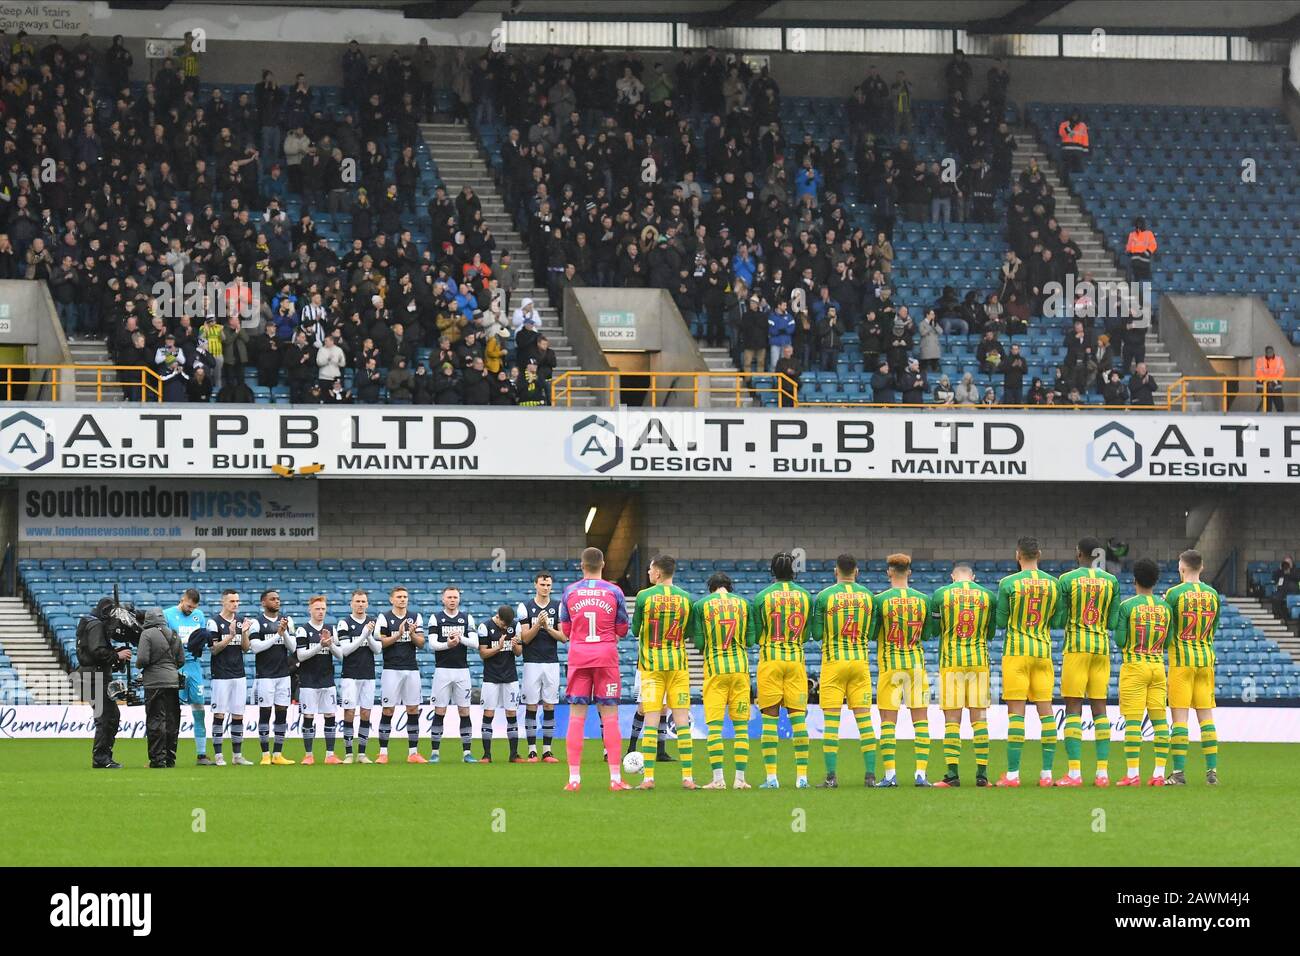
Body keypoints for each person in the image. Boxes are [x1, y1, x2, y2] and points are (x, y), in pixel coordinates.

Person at [558, 547, 631, 792]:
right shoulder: (615, 591)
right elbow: (622, 629)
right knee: (610, 718)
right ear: (604, 564)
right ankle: (615, 778)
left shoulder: (570, 592)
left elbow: (565, 631)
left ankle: (574, 779)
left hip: (579, 658)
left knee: (576, 717)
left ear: (581, 565)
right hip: (606, 658)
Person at [995, 538, 1063, 787]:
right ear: (1040, 554)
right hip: (1043, 653)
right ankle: (1046, 775)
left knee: (1016, 715)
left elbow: (1001, 622)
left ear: (1017, 555)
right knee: (1047, 714)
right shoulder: (1054, 585)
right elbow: (1057, 623)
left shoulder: (1007, 583)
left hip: (1016, 653)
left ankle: (1013, 775)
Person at [1056, 537, 1120, 787]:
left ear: (1078, 553)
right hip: (1101, 649)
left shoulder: (1067, 580)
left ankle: (1074, 774)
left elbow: (1060, 619)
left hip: (1076, 648)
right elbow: (1114, 623)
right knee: (1100, 709)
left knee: (1073, 708)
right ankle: (1102, 774)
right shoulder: (1111, 581)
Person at [811, 554, 877, 789]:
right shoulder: (869, 597)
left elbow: (817, 634)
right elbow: (871, 632)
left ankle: (831, 777)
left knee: (831, 723)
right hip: (859, 662)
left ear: (835, 571)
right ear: (856, 571)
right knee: (865, 721)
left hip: (833, 663)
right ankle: (870, 776)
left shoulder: (825, 596)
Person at [630, 554, 695, 790]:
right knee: (682, 722)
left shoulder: (644, 597)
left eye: (650, 570)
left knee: (651, 721)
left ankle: (648, 778)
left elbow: (636, 630)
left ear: (657, 573)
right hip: (678, 666)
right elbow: (689, 632)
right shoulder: (686, 598)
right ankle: (687, 777)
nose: (648, 573)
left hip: (651, 668)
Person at [928, 564, 996, 788]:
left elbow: (935, 630)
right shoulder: (988, 596)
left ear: (952, 577)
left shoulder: (941, 594)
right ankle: (982, 776)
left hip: (951, 663)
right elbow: (992, 632)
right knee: (980, 721)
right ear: (973, 577)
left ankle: (952, 775)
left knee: (952, 722)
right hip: (979, 663)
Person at [752, 551, 814, 789]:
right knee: (798, 720)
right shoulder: (805, 596)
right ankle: (801, 778)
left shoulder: (762, 597)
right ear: (793, 571)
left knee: (769, 719)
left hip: (770, 661)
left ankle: (771, 778)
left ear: (772, 571)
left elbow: (757, 634)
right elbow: (808, 634)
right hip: (796, 662)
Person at [871, 553, 933, 787]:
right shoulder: (923, 600)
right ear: (909, 572)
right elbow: (927, 634)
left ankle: (889, 776)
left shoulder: (880, 600)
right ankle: (920, 774)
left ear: (889, 572)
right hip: (916, 666)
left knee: (888, 721)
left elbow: (871, 633)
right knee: (921, 721)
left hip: (890, 666)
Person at [1111, 559, 1173, 788]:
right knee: (1159, 722)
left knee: (1134, 723)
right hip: (1158, 667)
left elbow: (1119, 640)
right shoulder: (1165, 608)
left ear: (1134, 580)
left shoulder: (1127, 606)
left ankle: (1133, 773)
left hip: (1134, 667)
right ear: (1156, 581)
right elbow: (1168, 642)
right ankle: (1158, 773)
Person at [690, 571, 754, 790]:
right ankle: (740, 780)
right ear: (729, 586)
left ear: (711, 587)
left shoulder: (701, 605)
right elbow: (751, 639)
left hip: (715, 670)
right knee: (741, 729)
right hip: (740, 670)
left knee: (715, 729)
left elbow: (699, 642)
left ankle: (718, 780)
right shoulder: (744, 604)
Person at [1163, 550, 1221, 786]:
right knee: (1206, 718)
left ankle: (1178, 773)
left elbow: (1167, 629)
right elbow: (1214, 627)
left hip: (1182, 662)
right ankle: (1212, 773)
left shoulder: (1173, 593)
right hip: (1205, 660)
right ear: (1202, 567)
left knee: (1180, 719)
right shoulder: (1213, 594)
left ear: (1182, 568)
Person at [517, 571, 566, 762]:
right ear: (535, 585)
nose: (546, 588)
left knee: (549, 705)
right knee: (531, 705)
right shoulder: (526, 607)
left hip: (551, 662)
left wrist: (547, 627)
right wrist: (538, 625)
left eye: (548, 585)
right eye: (542, 585)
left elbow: (563, 637)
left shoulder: (558, 607)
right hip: (532, 662)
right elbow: (525, 638)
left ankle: (547, 750)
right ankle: (531, 750)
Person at [374, 586, 426, 763]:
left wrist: (411, 634)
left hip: (411, 668)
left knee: (412, 708)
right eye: (399, 597)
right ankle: (383, 753)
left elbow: (421, 643)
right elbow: (382, 643)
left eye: (405, 596)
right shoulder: (384, 617)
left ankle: (413, 753)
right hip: (391, 669)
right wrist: (399, 634)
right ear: (392, 600)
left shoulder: (415, 617)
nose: (402, 599)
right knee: (388, 709)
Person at [205, 589, 255, 766]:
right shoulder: (214, 622)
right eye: (232, 601)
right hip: (221, 675)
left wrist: (244, 633)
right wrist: (231, 635)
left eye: (237, 601)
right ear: (223, 602)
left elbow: (245, 648)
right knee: (219, 714)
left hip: (239, 674)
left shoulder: (241, 621)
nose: (236, 604)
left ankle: (237, 755)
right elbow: (214, 649)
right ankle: (219, 755)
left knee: (238, 715)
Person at [429, 586, 477, 763]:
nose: (452, 600)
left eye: (455, 597)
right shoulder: (436, 618)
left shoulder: (466, 618)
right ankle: (435, 752)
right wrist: (448, 644)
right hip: (442, 670)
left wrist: (460, 638)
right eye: (449, 597)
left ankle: (467, 753)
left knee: (464, 710)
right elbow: (433, 644)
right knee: (439, 710)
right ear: (443, 599)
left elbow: (475, 643)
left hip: (462, 671)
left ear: (459, 599)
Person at [165, 589, 213, 766]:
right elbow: (164, 641)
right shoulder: (167, 614)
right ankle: (165, 754)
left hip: (194, 666)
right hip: (174, 666)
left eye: (193, 607)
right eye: (188, 606)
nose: (190, 610)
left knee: (199, 708)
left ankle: (201, 755)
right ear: (182, 599)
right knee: (171, 711)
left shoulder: (198, 615)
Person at [249, 588, 296, 765]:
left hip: (283, 674)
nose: (277, 601)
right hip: (265, 675)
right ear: (263, 602)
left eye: (278, 598)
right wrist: (277, 634)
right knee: (265, 712)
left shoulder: (286, 621)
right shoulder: (257, 623)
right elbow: (255, 647)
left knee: (282, 712)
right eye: (272, 599)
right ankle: (265, 754)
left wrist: (283, 633)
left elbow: (293, 648)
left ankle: (278, 754)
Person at [288, 596, 337, 764]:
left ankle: (330, 755)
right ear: (310, 610)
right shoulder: (303, 630)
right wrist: (320, 646)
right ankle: (308, 755)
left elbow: (340, 655)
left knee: (330, 715)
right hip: (308, 680)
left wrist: (330, 645)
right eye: (317, 608)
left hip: (327, 679)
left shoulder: (331, 629)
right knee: (308, 716)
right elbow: (301, 655)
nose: (320, 611)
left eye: (323, 608)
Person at [334, 589, 380, 763]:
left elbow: (377, 650)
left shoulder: (372, 623)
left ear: (367, 604)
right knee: (349, 712)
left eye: (363, 601)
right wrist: (363, 636)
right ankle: (348, 753)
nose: (360, 604)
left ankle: (362, 753)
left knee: (366, 713)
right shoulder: (344, 623)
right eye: (357, 601)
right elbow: (345, 650)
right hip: (350, 675)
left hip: (368, 674)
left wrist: (369, 637)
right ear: (351, 604)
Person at [136, 608, 184, 768]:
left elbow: (142, 659)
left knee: (156, 720)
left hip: (154, 682)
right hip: (172, 681)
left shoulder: (147, 634)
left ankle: (157, 760)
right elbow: (181, 661)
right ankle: (170, 758)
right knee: (172, 720)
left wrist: (140, 665)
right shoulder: (174, 634)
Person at [477, 606, 524, 763]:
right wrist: (499, 646)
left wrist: (515, 643)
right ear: (497, 617)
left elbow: (518, 653)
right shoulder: (485, 627)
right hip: (491, 677)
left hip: (510, 676)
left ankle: (514, 754)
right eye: (504, 625)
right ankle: (486, 755)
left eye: (507, 625)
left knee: (511, 713)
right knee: (488, 713)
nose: (505, 627)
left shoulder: (515, 626)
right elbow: (483, 653)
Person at [1125, 217, 1157, 282]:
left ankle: (1145, 292)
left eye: (1140, 223)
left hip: (1145, 261)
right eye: (1137, 223)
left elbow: (1153, 245)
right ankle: (1135, 292)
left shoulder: (1149, 234)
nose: (1139, 225)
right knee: (1135, 280)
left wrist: (1146, 252)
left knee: (1146, 280)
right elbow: (1128, 247)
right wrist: (1129, 252)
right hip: (1135, 261)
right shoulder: (1132, 234)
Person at [1255, 345, 1285, 412]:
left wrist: (1274, 382)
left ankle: (1281, 418)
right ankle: (1267, 419)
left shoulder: (1279, 359)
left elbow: (1281, 371)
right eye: (1268, 352)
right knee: (1267, 406)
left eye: (1271, 351)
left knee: (1280, 405)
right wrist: (1267, 382)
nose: (1270, 353)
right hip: (1265, 385)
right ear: (1265, 353)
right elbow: (1258, 372)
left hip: (1276, 385)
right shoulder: (1260, 360)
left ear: (1273, 351)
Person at [1270, 557, 1299, 621]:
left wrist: (1289, 572)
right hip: (1282, 590)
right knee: (1275, 597)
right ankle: (1278, 615)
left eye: (1288, 562)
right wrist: (1280, 569)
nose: (1287, 564)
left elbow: (1297, 577)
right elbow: (1274, 578)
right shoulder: (1280, 571)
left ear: (1291, 563)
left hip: (1292, 590)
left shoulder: (1296, 570)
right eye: (1285, 562)